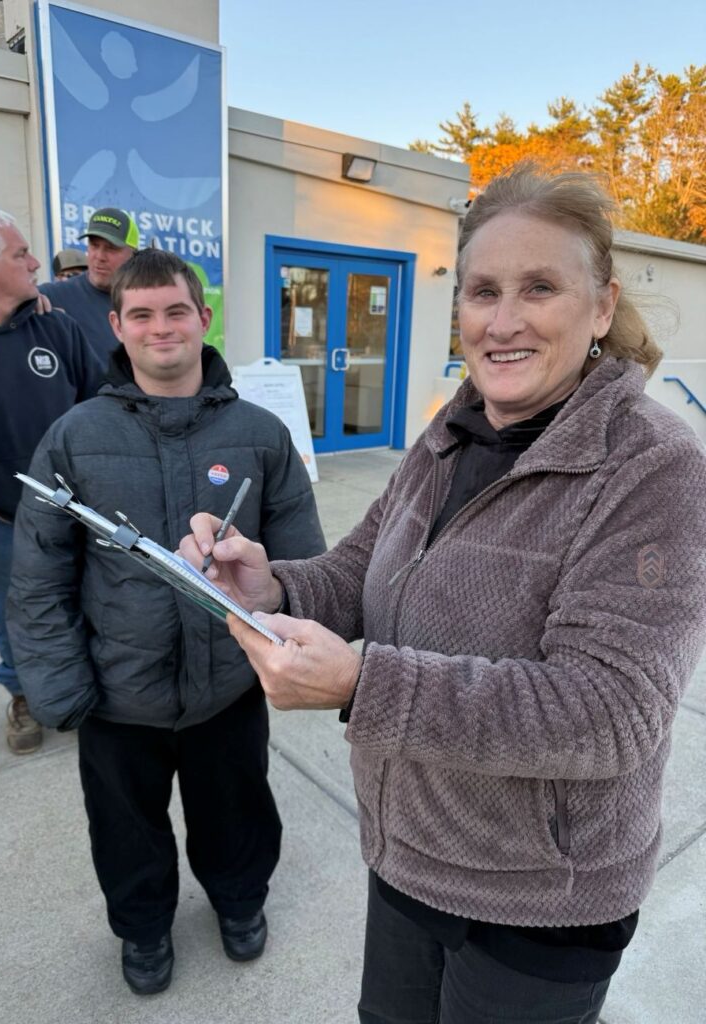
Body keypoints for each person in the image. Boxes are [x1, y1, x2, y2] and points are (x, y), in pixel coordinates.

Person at [181, 166, 706, 1024]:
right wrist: (269, 581)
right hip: (409, 854)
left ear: (602, 306)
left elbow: (614, 711)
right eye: (482, 291)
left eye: (539, 288)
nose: (502, 321)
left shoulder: (651, 464)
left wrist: (362, 684)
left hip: (540, 900)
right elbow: (356, 574)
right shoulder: (451, 430)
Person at [6, 249, 325, 996]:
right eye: (142, 315)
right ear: (117, 325)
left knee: (238, 812)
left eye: (176, 310)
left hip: (228, 686)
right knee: (126, 830)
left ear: (203, 319)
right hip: (119, 694)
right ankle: (144, 928)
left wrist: (292, 650)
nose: (161, 328)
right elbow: (39, 579)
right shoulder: (74, 436)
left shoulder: (260, 432)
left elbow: (304, 558)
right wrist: (61, 689)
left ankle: (240, 901)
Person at [0, 208, 103, 754]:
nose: (36, 262)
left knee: (85, 602)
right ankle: (24, 694)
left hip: (71, 511)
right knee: (11, 612)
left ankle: (79, 688)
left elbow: (100, 404)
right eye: (20, 254)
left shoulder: (55, 325)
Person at [40, 207, 139, 362]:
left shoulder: (146, 300)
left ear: (133, 254)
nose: (99, 256)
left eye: (111, 248)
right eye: (94, 245)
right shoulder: (51, 296)